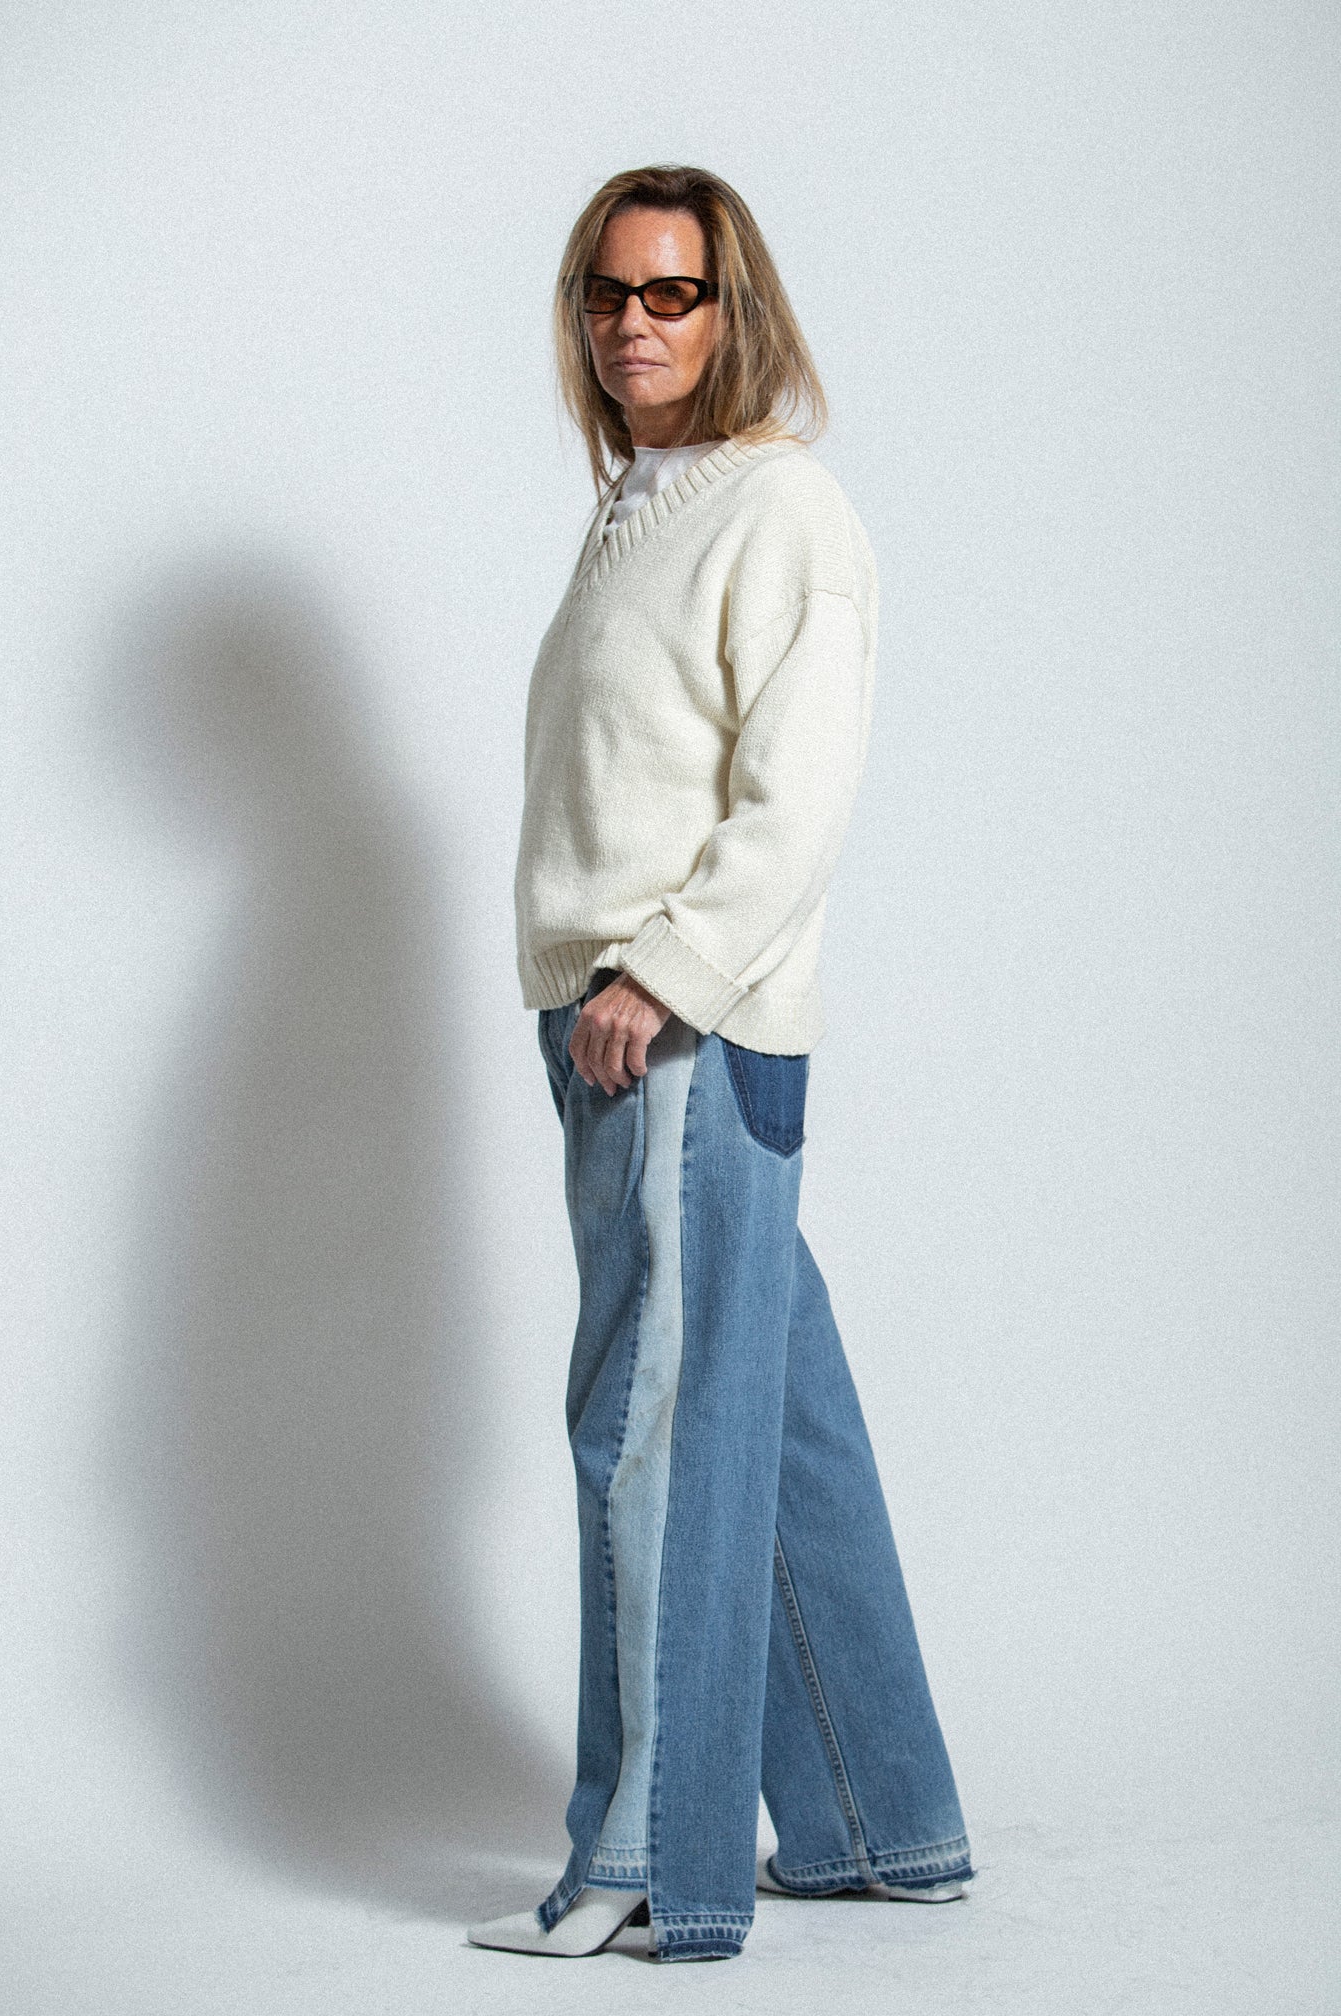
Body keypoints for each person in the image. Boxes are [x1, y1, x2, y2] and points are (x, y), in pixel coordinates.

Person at [467, 164, 972, 1965]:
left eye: (669, 293)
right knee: (772, 1425)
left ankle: (639, 1862)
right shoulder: (640, 507)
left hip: (673, 1027)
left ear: (730, 308)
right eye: (608, 294)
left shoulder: (781, 508)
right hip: (624, 1018)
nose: (633, 324)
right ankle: (881, 1824)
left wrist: (660, 976)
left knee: (648, 1434)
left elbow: (796, 795)